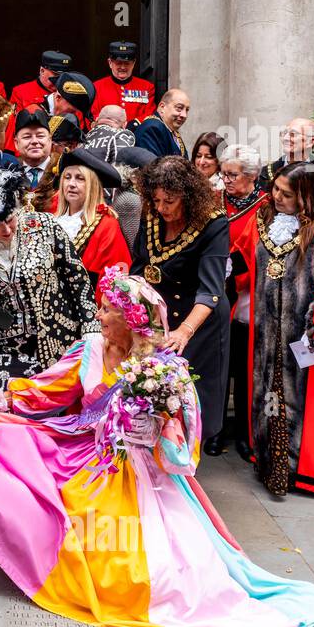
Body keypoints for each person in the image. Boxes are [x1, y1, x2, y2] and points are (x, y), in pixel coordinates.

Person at [0, 269, 314, 627]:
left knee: (130, 561)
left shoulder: (161, 368)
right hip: (81, 448)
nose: (100, 317)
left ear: (131, 318)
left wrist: (154, 431)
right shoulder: (88, 349)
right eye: (101, 308)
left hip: (140, 471)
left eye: (108, 310)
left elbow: (185, 441)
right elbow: (45, 390)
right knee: (5, 450)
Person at [234, 163, 314, 496]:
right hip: (263, 329)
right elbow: (242, 258)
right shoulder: (263, 219)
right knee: (266, 394)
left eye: (287, 194)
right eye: (276, 190)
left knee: (296, 398)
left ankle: (297, 468)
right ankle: (269, 462)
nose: (278, 198)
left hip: (301, 331)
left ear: (306, 195)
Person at [0, 159, 98, 397]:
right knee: (7, 418)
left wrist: (91, 327)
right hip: (4, 351)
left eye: (10, 219)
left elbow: (78, 279)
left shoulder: (46, 226)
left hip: (54, 342)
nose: (7, 230)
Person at [131, 155, 230, 443]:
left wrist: (185, 331)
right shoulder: (152, 213)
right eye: (156, 200)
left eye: (169, 201)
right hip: (161, 314)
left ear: (188, 196)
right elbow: (139, 266)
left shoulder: (213, 223)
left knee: (191, 394)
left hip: (199, 319)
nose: (161, 208)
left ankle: (187, 456)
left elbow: (211, 288)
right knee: (154, 388)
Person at [216, 143, 267, 460]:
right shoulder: (213, 201)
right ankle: (215, 429)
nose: (226, 180)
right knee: (219, 366)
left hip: (250, 295)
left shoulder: (266, 206)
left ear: (251, 176)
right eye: (224, 174)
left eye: (232, 175)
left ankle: (247, 434)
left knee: (248, 368)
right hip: (216, 290)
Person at [54, 148, 131, 285]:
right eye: (67, 177)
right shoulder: (52, 218)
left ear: (93, 186)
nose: (71, 184)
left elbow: (112, 282)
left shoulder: (107, 225)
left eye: (80, 178)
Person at [91, 40, 156, 125]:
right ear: (110, 63)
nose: (122, 67)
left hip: (137, 134)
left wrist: (132, 125)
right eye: (118, 63)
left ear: (133, 63)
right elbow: (92, 115)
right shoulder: (96, 87)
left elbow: (150, 114)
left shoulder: (147, 87)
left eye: (127, 63)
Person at [8, 108, 56, 209]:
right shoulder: (7, 174)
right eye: (27, 137)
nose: (34, 141)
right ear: (16, 143)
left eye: (40, 136)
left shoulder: (64, 173)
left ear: (50, 140)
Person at [261, 117, 314, 190]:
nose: (285, 138)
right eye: (284, 133)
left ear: (311, 142)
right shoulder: (265, 174)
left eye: (293, 134)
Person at [134, 88, 189, 158]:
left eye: (187, 110)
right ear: (162, 107)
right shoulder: (153, 128)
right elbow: (154, 166)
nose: (184, 115)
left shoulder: (169, 129)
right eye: (179, 108)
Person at [191, 130, 226, 200]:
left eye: (208, 157)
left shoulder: (226, 186)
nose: (201, 162)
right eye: (198, 156)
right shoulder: (188, 182)